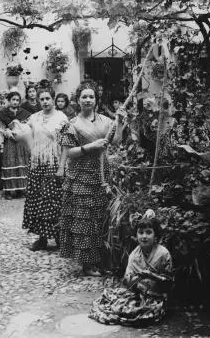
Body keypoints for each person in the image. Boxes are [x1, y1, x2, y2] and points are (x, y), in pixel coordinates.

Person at [59, 80, 125, 276]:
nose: (88, 100)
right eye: (84, 97)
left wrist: (120, 124)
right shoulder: (71, 125)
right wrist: (91, 146)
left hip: (103, 174)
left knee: (102, 218)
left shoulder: (106, 121)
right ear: (77, 101)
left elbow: (115, 142)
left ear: (96, 100)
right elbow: (68, 153)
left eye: (91, 97)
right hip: (81, 177)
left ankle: (103, 260)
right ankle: (87, 263)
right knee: (85, 219)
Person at [89, 210, 173, 326]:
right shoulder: (134, 255)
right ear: (136, 235)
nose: (144, 236)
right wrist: (134, 279)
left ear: (155, 236)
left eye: (149, 232)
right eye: (141, 232)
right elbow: (127, 282)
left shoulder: (163, 254)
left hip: (157, 297)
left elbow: (169, 283)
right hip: (139, 295)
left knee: (145, 314)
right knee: (119, 307)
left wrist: (152, 276)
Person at [22, 85, 68, 251]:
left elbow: (66, 144)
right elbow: (24, 133)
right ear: (38, 100)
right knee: (37, 199)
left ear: (53, 99)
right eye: (42, 99)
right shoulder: (33, 117)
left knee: (53, 200)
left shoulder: (62, 118)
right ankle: (41, 239)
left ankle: (58, 237)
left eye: (48, 98)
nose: (45, 102)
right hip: (37, 163)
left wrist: (62, 167)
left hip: (54, 162)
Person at [0, 92, 30, 198]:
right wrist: (6, 130)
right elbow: (0, 127)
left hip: (20, 140)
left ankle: (21, 189)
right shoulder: (3, 113)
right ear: (9, 100)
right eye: (13, 99)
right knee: (10, 162)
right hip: (9, 141)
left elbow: (28, 126)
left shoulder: (24, 113)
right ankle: (8, 190)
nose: (15, 102)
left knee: (21, 161)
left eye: (17, 100)